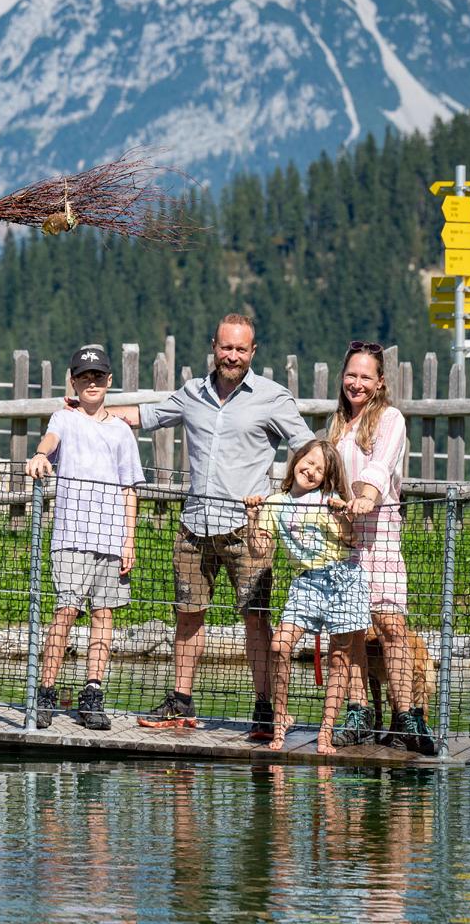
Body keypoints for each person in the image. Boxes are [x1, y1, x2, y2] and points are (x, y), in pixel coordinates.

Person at [105, 314, 314, 735]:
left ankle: (265, 708)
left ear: (253, 352)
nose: (232, 355)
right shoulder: (191, 395)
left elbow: (309, 450)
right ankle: (180, 703)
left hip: (248, 530)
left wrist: (281, 502)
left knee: (256, 619)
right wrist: (91, 411)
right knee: (187, 615)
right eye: (225, 347)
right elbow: (145, 415)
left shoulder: (273, 398)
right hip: (194, 528)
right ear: (213, 348)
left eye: (240, 349)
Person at [24, 343, 143, 730]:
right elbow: (50, 441)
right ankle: (44, 691)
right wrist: (40, 455)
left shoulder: (123, 431)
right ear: (73, 382)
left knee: (104, 615)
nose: (91, 382)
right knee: (66, 611)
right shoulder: (65, 417)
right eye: (83, 376)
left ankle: (93, 693)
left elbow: (130, 489)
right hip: (72, 536)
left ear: (109, 380)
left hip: (111, 539)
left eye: (97, 376)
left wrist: (129, 540)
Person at [330, 340, 437, 754]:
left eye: (365, 377)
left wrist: (367, 496)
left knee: (392, 626)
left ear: (379, 382)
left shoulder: (390, 419)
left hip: (381, 536)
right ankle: (359, 712)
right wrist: (335, 504)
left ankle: (406, 715)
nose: (356, 383)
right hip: (345, 540)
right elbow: (329, 474)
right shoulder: (337, 425)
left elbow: (381, 465)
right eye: (351, 375)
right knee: (351, 628)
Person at [245, 438, 367, 753]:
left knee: (340, 657)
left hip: (342, 580)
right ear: (297, 459)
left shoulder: (330, 501)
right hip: (306, 583)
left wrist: (342, 515)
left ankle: (326, 731)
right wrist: (252, 518)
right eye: (307, 462)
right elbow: (258, 549)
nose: (310, 471)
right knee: (279, 645)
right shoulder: (275, 503)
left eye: (319, 469)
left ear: (326, 478)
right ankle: (281, 718)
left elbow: (352, 541)